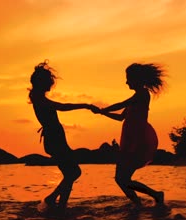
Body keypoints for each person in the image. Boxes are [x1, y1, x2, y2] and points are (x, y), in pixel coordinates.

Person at [28, 61, 98, 210]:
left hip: (55, 139)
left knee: (70, 173)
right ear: (42, 82)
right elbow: (62, 107)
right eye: (49, 81)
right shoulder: (40, 99)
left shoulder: (37, 97)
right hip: (55, 140)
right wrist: (85, 105)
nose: (51, 84)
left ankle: (61, 206)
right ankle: (52, 198)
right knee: (74, 172)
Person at [96, 63, 166, 206]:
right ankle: (140, 203)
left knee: (122, 179)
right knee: (121, 179)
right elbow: (121, 117)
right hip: (129, 140)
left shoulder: (142, 94)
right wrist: (104, 113)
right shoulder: (136, 97)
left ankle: (153, 196)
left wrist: (103, 109)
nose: (126, 82)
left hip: (137, 141)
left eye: (128, 78)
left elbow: (121, 104)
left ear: (137, 79)